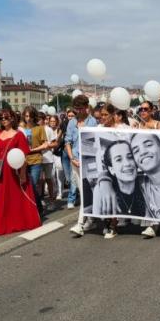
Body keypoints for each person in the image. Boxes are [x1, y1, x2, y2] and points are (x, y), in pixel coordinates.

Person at [0, 108, 41, 235]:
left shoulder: (19, 135)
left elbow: (24, 156)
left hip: (14, 171)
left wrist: (22, 174)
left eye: (6, 118)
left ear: (12, 119)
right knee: (0, 198)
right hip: (1, 170)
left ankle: (17, 221)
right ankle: (2, 223)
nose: (3, 120)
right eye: (1, 118)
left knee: (15, 197)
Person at [67, 94, 99, 236]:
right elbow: (67, 141)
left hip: (89, 160)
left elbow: (94, 142)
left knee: (86, 192)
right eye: (76, 109)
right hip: (75, 160)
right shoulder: (71, 122)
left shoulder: (93, 122)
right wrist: (72, 157)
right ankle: (91, 220)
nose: (77, 111)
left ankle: (80, 224)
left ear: (86, 108)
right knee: (83, 191)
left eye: (80, 108)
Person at [21, 106, 49, 218]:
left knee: (32, 184)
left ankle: (38, 207)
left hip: (36, 159)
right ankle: (29, 209)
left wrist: (32, 150)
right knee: (24, 186)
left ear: (34, 116)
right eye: (26, 116)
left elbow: (45, 144)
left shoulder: (39, 128)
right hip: (22, 161)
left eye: (30, 116)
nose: (28, 119)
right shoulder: (20, 129)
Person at [40, 114, 59, 209]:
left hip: (48, 158)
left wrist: (47, 145)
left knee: (48, 179)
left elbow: (55, 143)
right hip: (37, 159)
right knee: (40, 181)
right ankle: (41, 200)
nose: (38, 121)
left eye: (40, 119)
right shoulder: (34, 130)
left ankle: (52, 200)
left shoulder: (48, 130)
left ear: (44, 120)